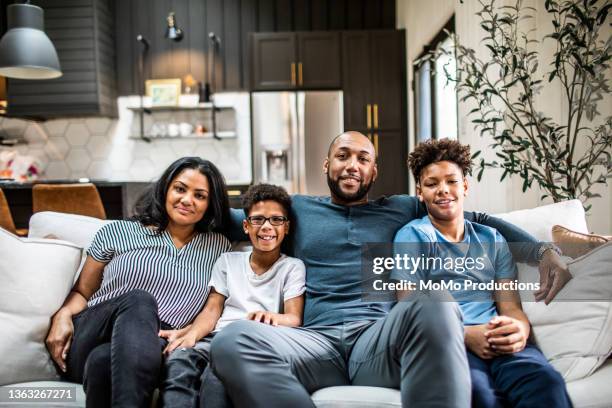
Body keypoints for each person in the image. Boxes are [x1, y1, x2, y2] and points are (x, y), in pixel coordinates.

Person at [210, 131, 571, 408]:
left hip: (379, 340)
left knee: (433, 301)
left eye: (363, 158)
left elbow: (475, 219)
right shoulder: (296, 210)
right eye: (343, 156)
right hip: (314, 343)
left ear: (374, 170)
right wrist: (164, 215)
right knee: (231, 339)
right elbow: (229, 220)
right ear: (326, 165)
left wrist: (542, 251)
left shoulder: (401, 209)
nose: (352, 164)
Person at [393, 138, 571, 407]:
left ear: (464, 186)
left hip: (497, 337)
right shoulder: (413, 236)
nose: (443, 190)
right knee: (479, 395)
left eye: (451, 181)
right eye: (432, 184)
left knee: (546, 384)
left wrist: (519, 330)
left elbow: (510, 307)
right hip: (451, 343)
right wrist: (466, 336)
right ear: (420, 192)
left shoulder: (492, 239)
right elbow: (409, 307)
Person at [45, 157, 232, 408]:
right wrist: (62, 315)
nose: (187, 200)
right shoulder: (118, 232)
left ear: (210, 204)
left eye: (200, 195)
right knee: (139, 300)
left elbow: (213, 306)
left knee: (102, 363)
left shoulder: (219, 246)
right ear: (165, 189)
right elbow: (83, 291)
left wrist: (193, 333)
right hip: (95, 329)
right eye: (180, 189)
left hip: (154, 343)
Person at [158, 183, 305, 408]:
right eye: (258, 220)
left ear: (286, 227)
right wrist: (191, 336)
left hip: (249, 343)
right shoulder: (228, 260)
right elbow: (212, 309)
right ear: (246, 226)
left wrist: (270, 317)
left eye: (276, 220)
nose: (267, 227)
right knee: (179, 362)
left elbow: (294, 318)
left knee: (215, 377)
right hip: (213, 338)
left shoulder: (292, 267)